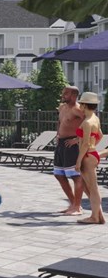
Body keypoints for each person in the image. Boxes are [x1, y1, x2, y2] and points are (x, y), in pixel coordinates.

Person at [53, 85, 85, 215]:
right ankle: (73, 204)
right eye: (63, 93)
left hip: (71, 145)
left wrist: (77, 139)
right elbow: (60, 122)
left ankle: (77, 207)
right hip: (61, 144)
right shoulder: (62, 107)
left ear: (74, 95)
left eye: (66, 93)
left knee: (76, 176)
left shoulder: (78, 110)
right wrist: (57, 134)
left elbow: (91, 124)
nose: (63, 95)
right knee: (59, 174)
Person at [76, 92, 104, 224]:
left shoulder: (87, 122)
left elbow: (85, 144)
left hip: (87, 156)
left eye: (80, 103)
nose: (79, 106)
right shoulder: (95, 118)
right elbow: (100, 135)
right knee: (90, 187)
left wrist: (78, 160)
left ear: (85, 105)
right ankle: (98, 215)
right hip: (92, 154)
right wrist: (93, 146)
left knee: (93, 188)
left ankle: (95, 217)